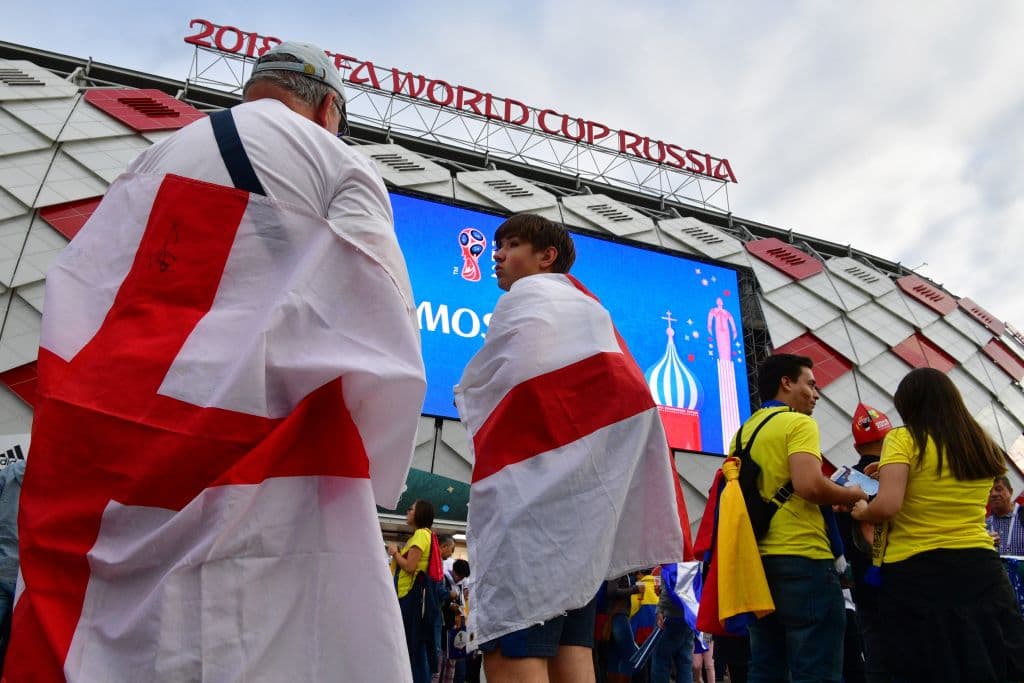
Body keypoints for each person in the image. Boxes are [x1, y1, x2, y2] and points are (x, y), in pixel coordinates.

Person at [7, 41, 426, 682]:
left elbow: (83, 286)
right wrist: (370, 456)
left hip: (117, 433)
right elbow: (383, 314)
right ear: (329, 108)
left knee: (115, 630)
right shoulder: (333, 158)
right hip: (254, 431)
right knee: (247, 633)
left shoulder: (155, 156)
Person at [454, 213, 687, 683]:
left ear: (547, 257)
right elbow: (629, 403)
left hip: (529, 516)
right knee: (571, 653)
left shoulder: (528, 300)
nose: (496, 254)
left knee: (511, 654)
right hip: (579, 528)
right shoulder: (590, 310)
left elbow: (500, 393)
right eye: (497, 246)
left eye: (511, 245)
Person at [852, 367, 1024, 681]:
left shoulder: (903, 438)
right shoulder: (977, 441)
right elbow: (941, 478)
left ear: (909, 406)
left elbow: (888, 505)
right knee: (991, 662)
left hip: (916, 575)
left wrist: (863, 510)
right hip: (981, 569)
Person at [741, 354, 867, 683]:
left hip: (759, 563)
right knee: (816, 666)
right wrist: (851, 493)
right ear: (787, 383)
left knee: (766, 664)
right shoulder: (799, 423)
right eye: (810, 384)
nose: (816, 393)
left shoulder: (744, 431)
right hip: (804, 558)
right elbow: (809, 484)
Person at [838, 402, 893, 683]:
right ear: (888, 438)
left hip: (863, 581)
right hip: (905, 574)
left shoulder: (840, 484)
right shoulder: (898, 477)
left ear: (857, 447)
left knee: (874, 650)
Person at [390, 499, 440, 683]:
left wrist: (395, 553)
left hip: (411, 596)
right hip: (414, 596)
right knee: (415, 648)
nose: (408, 511)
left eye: (410, 509)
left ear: (419, 514)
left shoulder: (420, 534)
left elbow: (410, 567)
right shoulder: (424, 535)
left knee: (414, 649)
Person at [0, 457, 25, 672]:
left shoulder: (9, 473)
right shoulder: (52, 480)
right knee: (13, 644)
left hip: (3, 568)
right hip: (27, 580)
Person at [651, 571, 694, 683]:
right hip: (688, 617)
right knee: (685, 663)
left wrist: (660, 608)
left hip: (669, 617)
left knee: (661, 663)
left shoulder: (672, 557)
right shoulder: (694, 561)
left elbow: (669, 588)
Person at [987, 475, 1024, 555]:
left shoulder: (1022, 517)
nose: (993, 494)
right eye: (989, 491)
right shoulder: (984, 525)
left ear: (1010, 492)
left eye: (998, 489)